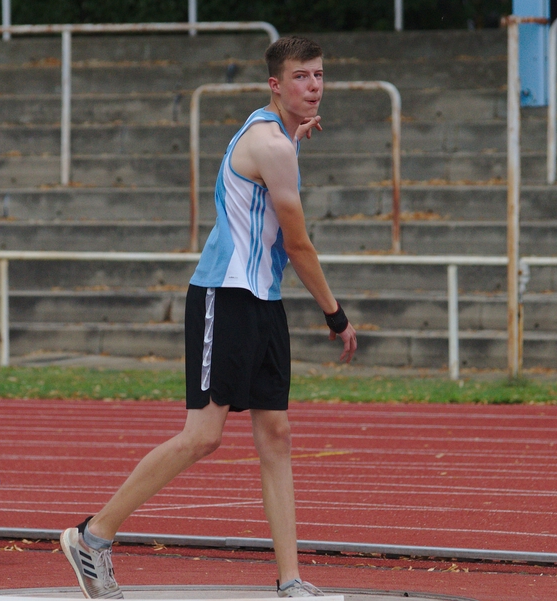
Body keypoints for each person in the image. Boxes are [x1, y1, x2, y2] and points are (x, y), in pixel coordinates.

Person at [60, 36, 358, 599]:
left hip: (262, 298)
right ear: (276, 85)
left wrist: (292, 136)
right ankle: (92, 536)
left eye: (319, 75)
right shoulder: (271, 143)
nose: (314, 86)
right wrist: (335, 315)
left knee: (277, 434)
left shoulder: (276, 135)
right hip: (226, 294)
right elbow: (298, 244)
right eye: (301, 76)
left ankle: (290, 579)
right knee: (203, 436)